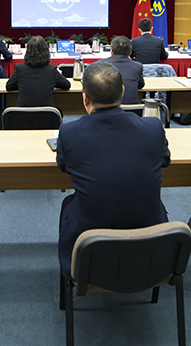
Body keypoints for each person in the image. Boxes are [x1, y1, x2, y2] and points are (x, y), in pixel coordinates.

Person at [56, 61, 170, 276]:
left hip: (89, 248)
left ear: (85, 98)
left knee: (69, 203)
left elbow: (64, 166)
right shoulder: (153, 127)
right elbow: (165, 160)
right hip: (151, 242)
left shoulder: (69, 132)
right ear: (123, 91)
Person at [5, 35, 71, 107]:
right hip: (47, 112)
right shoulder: (51, 70)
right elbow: (66, 85)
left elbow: (9, 87)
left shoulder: (20, 68)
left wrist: (21, 85)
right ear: (46, 52)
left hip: (23, 112)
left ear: (28, 52)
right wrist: (53, 83)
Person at [99, 36, 145, 105]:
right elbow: (140, 85)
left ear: (111, 52)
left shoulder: (100, 65)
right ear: (130, 52)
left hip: (108, 108)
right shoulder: (138, 66)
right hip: (133, 109)